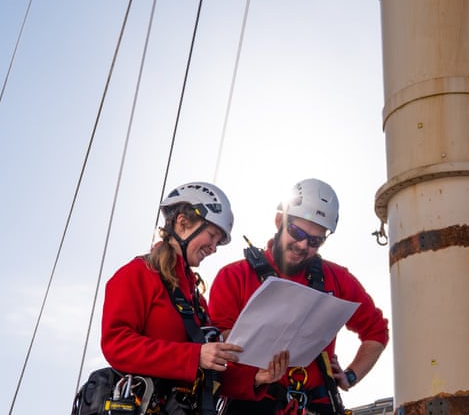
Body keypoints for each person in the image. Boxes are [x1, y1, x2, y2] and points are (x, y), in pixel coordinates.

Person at [99, 181, 289, 414]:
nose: (214, 247)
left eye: (218, 242)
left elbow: (210, 371)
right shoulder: (138, 274)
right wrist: (194, 355)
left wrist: (258, 378)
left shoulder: (196, 301)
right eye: (212, 235)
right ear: (182, 223)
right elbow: (117, 345)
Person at [209, 178, 389, 415]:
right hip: (253, 402)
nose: (303, 245)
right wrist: (256, 372)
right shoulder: (234, 277)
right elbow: (216, 349)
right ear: (279, 221)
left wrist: (351, 375)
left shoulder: (338, 279)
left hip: (316, 404)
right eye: (297, 232)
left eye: (315, 241)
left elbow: (377, 332)